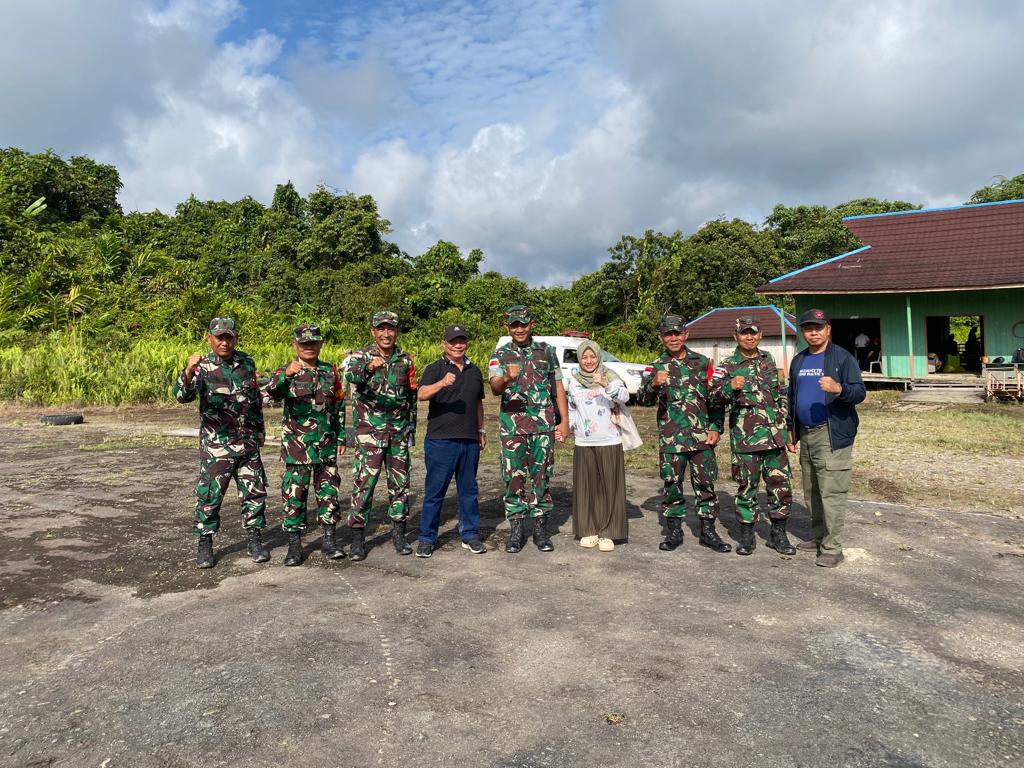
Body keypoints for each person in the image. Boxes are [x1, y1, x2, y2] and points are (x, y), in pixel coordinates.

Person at [173, 317, 269, 569]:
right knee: (210, 496)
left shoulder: (246, 363)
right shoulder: (202, 367)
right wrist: (187, 370)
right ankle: (205, 543)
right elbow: (182, 396)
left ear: (235, 338)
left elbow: (255, 400)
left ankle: (255, 539)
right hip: (217, 446)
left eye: (229, 337)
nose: (224, 342)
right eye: (219, 337)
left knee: (254, 493)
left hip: (247, 443)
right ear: (210, 339)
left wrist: (260, 430)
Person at [636, 314, 730, 554]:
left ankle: (708, 531)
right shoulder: (655, 365)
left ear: (686, 334)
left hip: (701, 437)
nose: (673, 338)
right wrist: (654, 384)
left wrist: (715, 427)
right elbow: (643, 400)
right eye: (668, 334)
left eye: (678, 333)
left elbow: (716, 400)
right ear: (661, 337)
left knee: (706, 484)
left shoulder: (702, 362)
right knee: (672, 485)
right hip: (672, 438)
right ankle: (674, 532)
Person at [786, 308, 865, 568]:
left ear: (828, 329)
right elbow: (792, 397)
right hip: (806, 434)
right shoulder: (798, 360)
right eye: (808, 328)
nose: (813, 332)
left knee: (832, 491)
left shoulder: (842, 358)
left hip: (831, 434)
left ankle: (832, 547)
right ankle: (819, 536)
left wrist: (838, 388)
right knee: (812, 491)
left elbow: (859, 392)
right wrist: (792, 429)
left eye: (818, 327)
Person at [710, 316, 795, 556]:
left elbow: (778, 396)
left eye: (753, 333)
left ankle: (778, 535)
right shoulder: (726, 366)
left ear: (760, 335)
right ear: (735, 335)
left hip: (774, 437)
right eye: (744, 333)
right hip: (746, 440)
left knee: (780, 486)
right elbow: (712, 398)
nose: (749, 336)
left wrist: (786, 430)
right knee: (747, 488)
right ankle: (747, 537)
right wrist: (729, 387)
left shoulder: (768, 360)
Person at [488, 305, 569, 554]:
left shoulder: (546, 351)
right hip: (513, 427)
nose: (519, 329)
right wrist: (506, 379)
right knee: (513, 478)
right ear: (507, 327)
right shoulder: (500, 354)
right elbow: (494, 388)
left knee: (541, 477)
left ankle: (540, 529)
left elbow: (558, 387)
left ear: (531, 324)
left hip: (543, 426)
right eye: (514, 325)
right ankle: (516, 530)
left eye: (523, 324)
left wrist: (564, 421)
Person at [265, 324, 347, 566]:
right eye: (304, 343)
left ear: (320, 344)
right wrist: (286, 375)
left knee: (329, 493)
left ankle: (330, 542)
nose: (309, 347)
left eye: (313, 343)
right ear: (295, 345)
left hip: (326, 445)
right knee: (294, 496)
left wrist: (340, 437)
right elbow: (270, 392)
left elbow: (338, 406)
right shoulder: (286, 371)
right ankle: (294, 547)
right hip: (297, 447)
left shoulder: (330, 371)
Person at [345, 311, 418, 561]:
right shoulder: (360, 356)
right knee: (364, 485)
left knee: (400, 484)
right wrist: (368, 367)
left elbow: (411, 396)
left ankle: (399, 535)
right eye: (381, 329)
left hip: (397, 433)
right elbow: (350, 375)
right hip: (370, 434)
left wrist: (411, 428)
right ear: (373, 331)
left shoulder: (405, 360)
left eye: (391, 329)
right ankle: (357, 539)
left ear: (396, 331)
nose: (386, 334)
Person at [414, 325, 487, 558]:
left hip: (469, 439)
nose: (458, 345)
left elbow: (478, 403)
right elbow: (421, 394)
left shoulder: (474, 370)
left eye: (462, 341)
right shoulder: (434, 368)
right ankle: (427, 537)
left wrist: (481, 429)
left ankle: (470, 535)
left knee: (469, 491)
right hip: (440, 440)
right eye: (453, 341)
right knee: (435, 491)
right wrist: (441, 383)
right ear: (444, 344)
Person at [565, 339, 629, 551]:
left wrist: (605, 384)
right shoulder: (573, 380)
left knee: (610, 486)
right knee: (587, 487)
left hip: (609, 439)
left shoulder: (610, 375)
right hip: (584, 441)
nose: (589, 361)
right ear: (580, 359)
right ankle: (589, 529)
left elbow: (624, 396)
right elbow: (572, 408)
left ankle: (608, 532)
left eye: (593, 356)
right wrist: (569, 428)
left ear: (599, 357)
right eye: (585, 357)